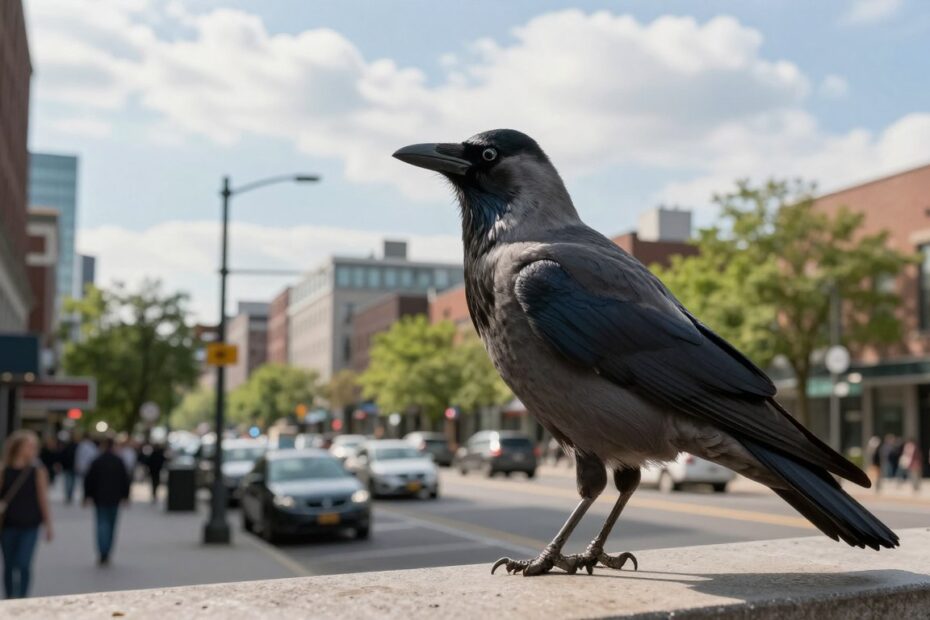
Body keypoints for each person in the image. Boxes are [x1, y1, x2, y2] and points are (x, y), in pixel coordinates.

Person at [0, 430, 53, 598]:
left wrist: (48, 525)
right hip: (7, 524)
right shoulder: (4, 470)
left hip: (30, 524)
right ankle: (10, 597)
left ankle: (22, 598)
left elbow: (43, 498)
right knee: (9, 565)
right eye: (29, 446)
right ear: (17, 447)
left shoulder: (38, 471)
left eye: (35, 446)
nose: (33, 450)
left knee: (23, 563)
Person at [83, 437, 130, 565]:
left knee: (101, 524)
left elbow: (89, 480)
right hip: (114, 498)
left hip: (100, 498)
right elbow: (125, 479)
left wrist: (87, 496)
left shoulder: (97, 461)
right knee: (111, 525)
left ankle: (102, 551)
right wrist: (125, 496)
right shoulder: (119, 461)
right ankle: (107, 550)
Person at [58, 431, 78, 504]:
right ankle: (69, 495)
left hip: (69, 466)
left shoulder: (67, 446)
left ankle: (69, 495)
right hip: (72, 466)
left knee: (69, 481)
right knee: (71, 482)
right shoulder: (76, 446)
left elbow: (62, 456)